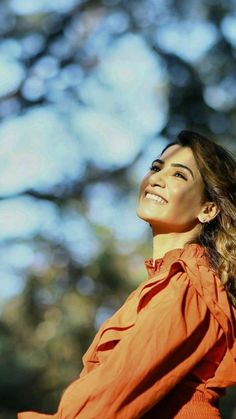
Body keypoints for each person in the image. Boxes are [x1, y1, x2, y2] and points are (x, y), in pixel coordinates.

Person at [18, 130, 236, 418]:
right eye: (156, 168)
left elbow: (108, 398)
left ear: (208, 209)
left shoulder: (189, 284)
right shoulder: (166, 281)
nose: (156, 179)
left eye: (179, 175)